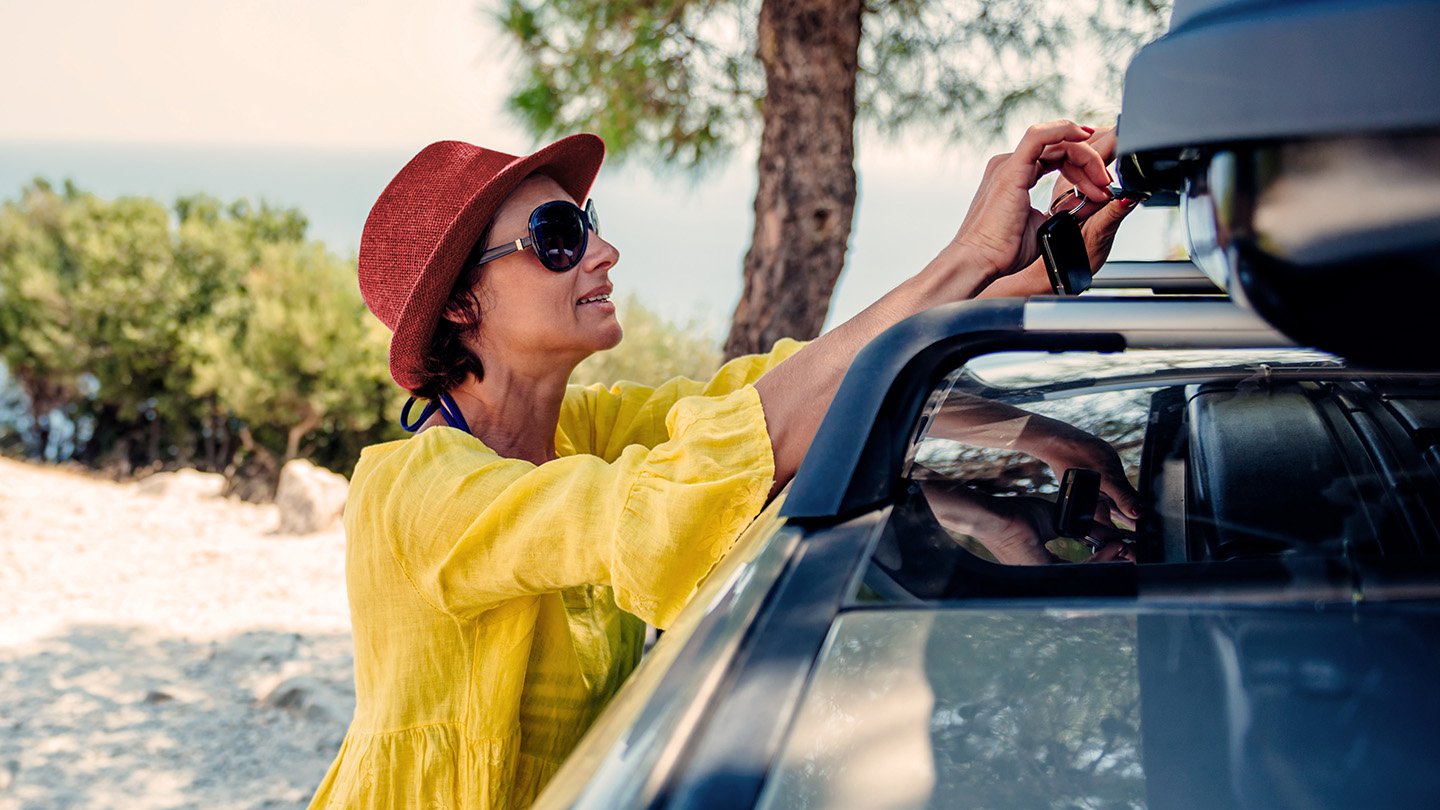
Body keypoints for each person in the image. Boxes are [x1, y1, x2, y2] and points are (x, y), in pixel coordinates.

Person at [309, 121, 1138, 809]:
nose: (605, 252)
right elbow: (685, 490)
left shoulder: (590, 431)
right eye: (557, 239)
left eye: (588, 222)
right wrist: (967, 257)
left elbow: (786, 391)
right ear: (460, 304)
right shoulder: (412, 493)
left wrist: (1027, 314)